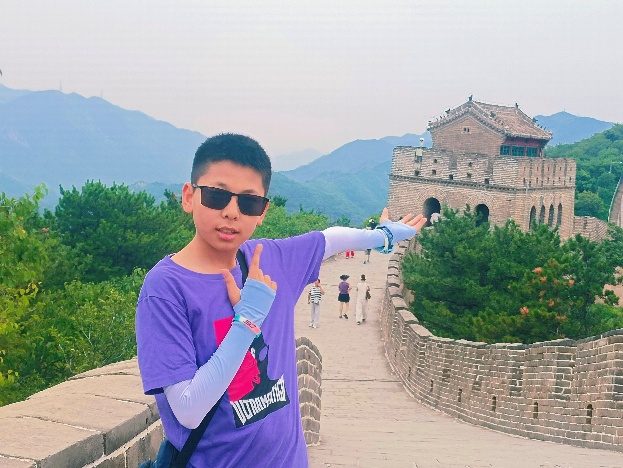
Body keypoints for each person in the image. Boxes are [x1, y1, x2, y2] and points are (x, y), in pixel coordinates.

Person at [135, 133, 426, 467]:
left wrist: (383, 236)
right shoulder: (166, 288)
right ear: (189, 197)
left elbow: (330, 240)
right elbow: (188, 410)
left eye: (248, 203)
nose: (231, 212)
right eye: (217, 196)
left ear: (262, 211)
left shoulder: (269, 259)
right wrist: (247, 320)